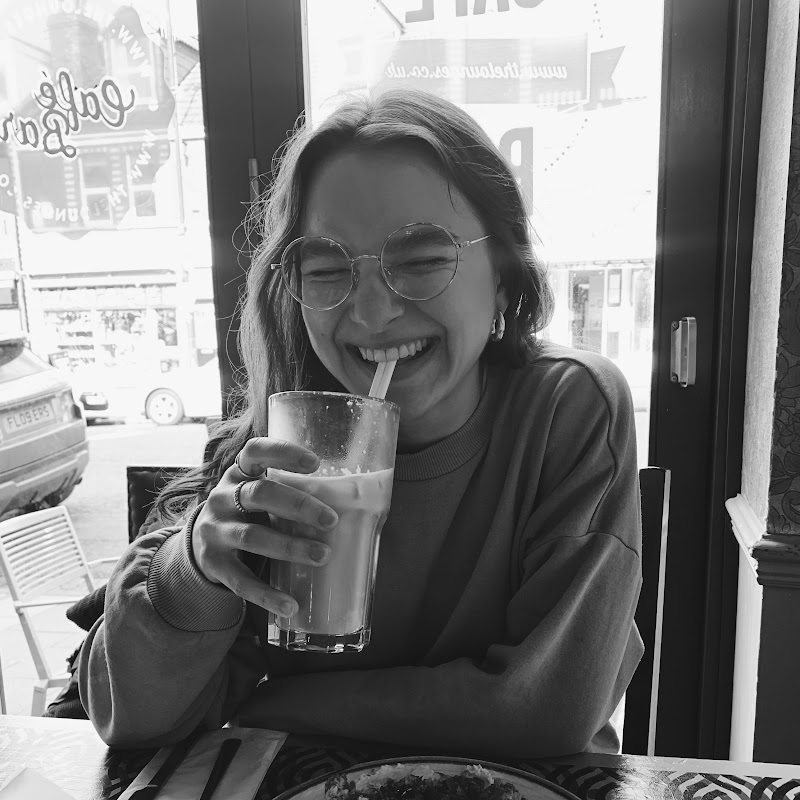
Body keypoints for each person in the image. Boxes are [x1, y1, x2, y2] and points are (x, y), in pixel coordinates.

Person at [78, 87, 643, 758]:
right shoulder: (276, 452)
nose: (373, 315)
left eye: (423, 260)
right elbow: (132, 721)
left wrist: (274, 704)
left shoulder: (566, 410)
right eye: (326, 269)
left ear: (502, 269)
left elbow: (544, 708)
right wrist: (195, 573)